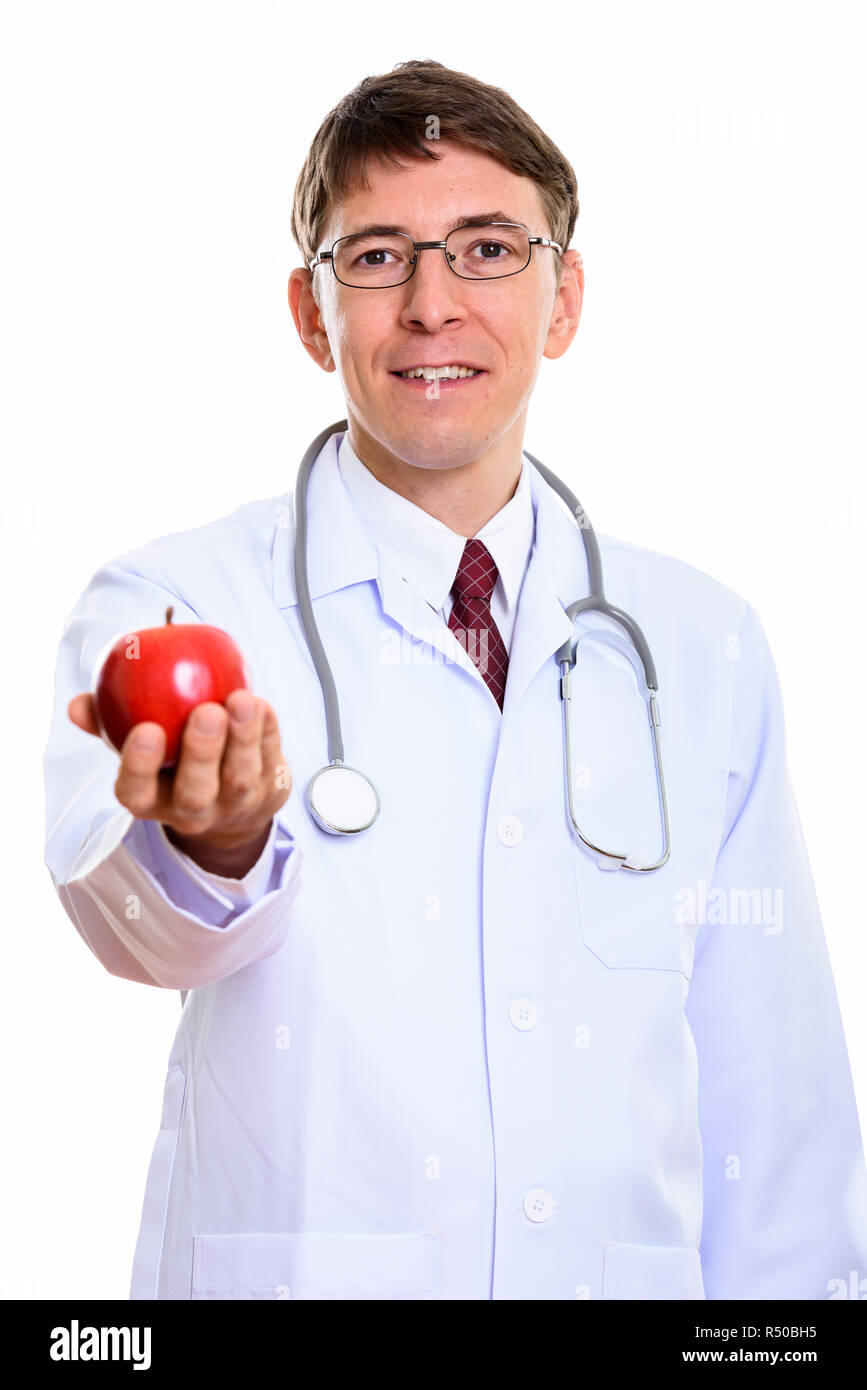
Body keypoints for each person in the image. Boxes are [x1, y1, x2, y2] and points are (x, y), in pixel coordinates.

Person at [43, 58, 867, 1301]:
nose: (432, 304)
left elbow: (777, 1100)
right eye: (376, 257)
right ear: (311, 313)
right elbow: (123, 919)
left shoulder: (704, 645)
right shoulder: (177, 603)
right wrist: (215, 844)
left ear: (566, 296)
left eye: (488, 248)